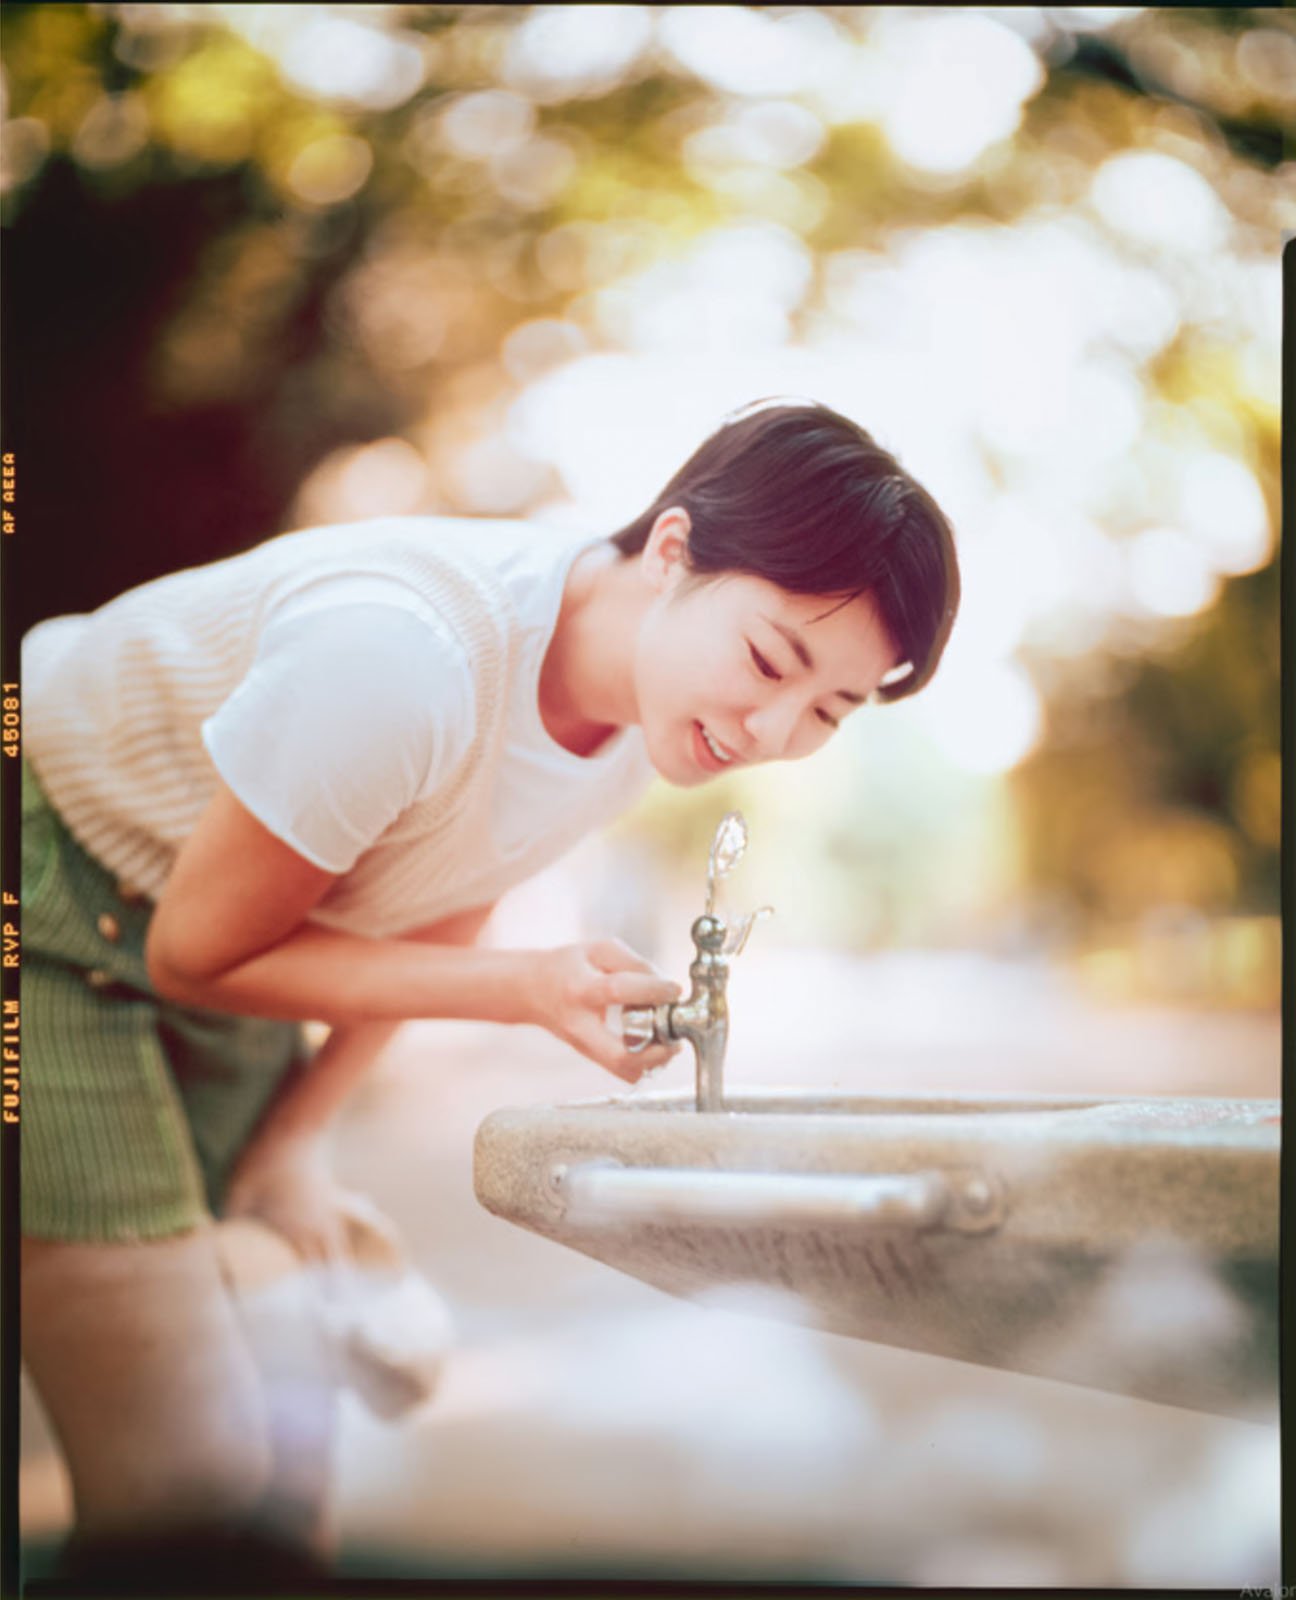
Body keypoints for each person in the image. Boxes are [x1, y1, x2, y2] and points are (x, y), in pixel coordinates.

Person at [19, 398, 960, 1560]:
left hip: (211, 917)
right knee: (187, 1472)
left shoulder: (637, 720)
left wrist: (292, 1143)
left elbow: (437, 901)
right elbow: (197, 956)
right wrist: (528, 988)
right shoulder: (406, 659)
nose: (772, 731)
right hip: (52, 890)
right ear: (672, 550)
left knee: (294, 1428)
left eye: (829, 709)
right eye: (772, 659)